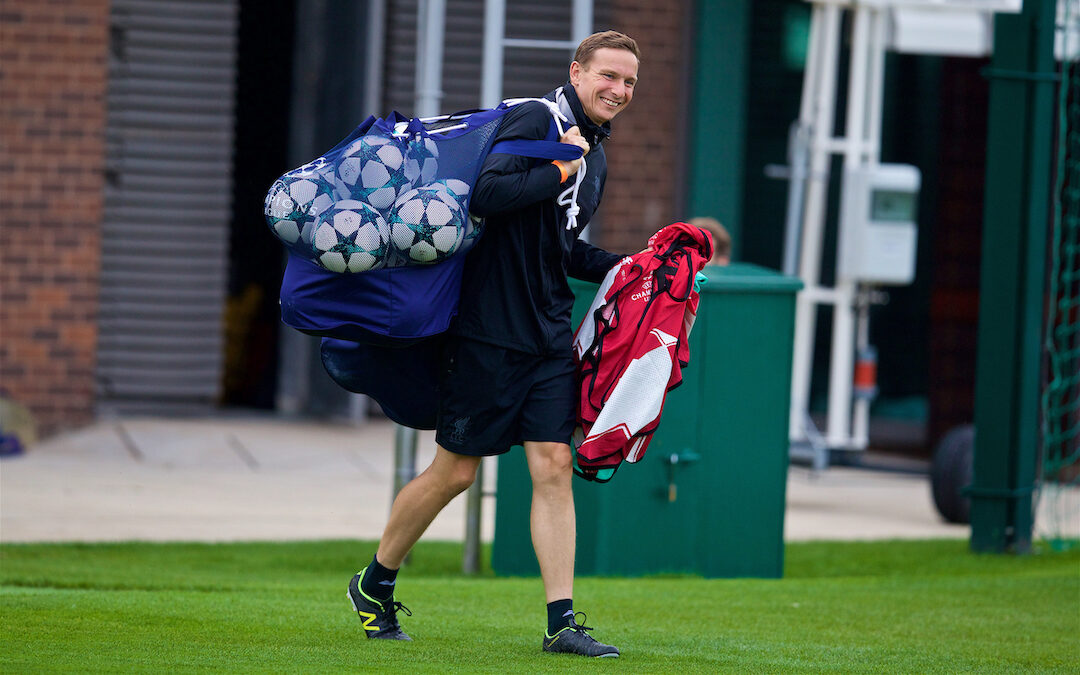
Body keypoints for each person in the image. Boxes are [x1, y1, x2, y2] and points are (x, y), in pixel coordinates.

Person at [345, 31, 641, 658]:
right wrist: (562, 162)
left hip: (548, 335)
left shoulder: (597, 158)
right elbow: (490, 193)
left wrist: (636, 266)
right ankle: (375, 581)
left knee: (554, 467)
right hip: (486, 335)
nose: (618, 90)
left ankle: (561, 623)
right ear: (577, 72)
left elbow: (560, 250)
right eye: (609, 76)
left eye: (629, 83)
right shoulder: (538, 119)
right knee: (455, 472)